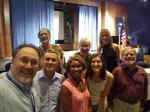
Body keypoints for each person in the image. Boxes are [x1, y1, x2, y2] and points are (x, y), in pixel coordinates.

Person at [0, 44, 41, 112]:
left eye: (34, 62)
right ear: (12, 62)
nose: (28, 66)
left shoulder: (32, 90)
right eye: (24, 60)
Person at [108, 46, 148, 112]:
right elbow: (111, 90)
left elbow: (144, 91)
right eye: (126, 54)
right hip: (120, 104)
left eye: (132, 54)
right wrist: (110, 104)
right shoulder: (117, 71)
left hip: (135, 105)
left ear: (136, 56)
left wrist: (142, 106)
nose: (129, 56)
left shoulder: (142, 72)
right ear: (122, 57)